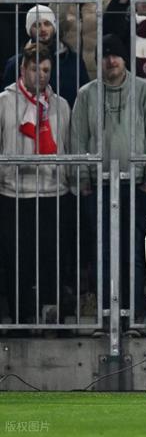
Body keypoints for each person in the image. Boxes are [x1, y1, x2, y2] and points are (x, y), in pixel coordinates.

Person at [71, 33, 146, 320]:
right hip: (98, 185)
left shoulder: (144, 90)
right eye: (105, 55)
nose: (111, 60)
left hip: (136, 185)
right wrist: (83, 179)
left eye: (115, 55)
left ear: (125, 59)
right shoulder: (86, 94)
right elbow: (77, 138)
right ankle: (106, 315)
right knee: (101, 252)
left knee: (134, 251)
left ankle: (134, 314)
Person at [0, 43, 73, 324]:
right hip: (13, 193)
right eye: (35, 69)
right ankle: (21, 318)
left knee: (52, 260)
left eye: (45, 70)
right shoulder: (4, 101)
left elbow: (67, 144)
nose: (41, 75)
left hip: (53, 192)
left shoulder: (60, 104)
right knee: (18, 261)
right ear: (22, 69)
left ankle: (50, 316)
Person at [3, 4, 89, 109]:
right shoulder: (16, 63)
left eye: (47, 24)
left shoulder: (73, 60)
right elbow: (6, 101)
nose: (43, 29)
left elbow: (84, 96)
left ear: (54, 26)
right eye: (37, 25)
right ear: (29, 30)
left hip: (65, 116)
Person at [49, 0, 113, 81]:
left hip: (97, 71)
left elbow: (114, 19)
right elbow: (52, 23)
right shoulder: (60, 2)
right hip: (68, 70)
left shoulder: (103, 1)